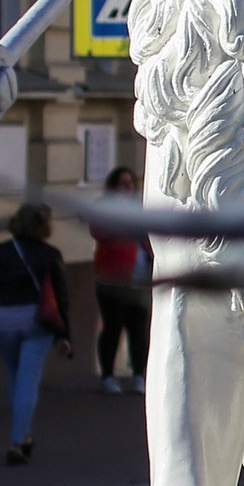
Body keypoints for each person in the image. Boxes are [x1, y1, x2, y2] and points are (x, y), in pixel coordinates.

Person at [0, 203, 73, 465]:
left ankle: (25, 435)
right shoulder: (50, 254)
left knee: (16, 378)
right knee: (28, 382)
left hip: (3, 322)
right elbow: (60, 298)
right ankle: (17, 442)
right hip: (36, 323)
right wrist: (64, 336)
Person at [88, 164, 152, 395]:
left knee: (138, 329)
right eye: (122, 184)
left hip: (139, 277)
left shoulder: (140, 208)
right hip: (112, 277)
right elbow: (98, 232)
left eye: (130, 183)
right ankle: (107, 375)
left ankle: (138, 375)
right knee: (112, 327)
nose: (127, 188)